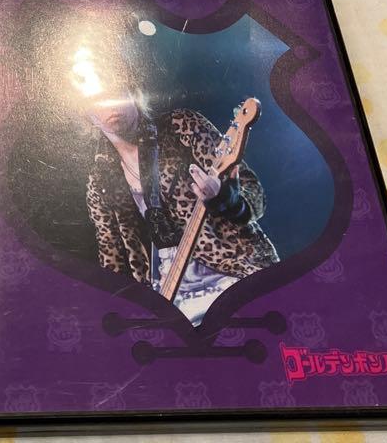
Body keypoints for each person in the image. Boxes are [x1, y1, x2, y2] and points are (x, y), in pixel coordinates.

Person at [68, 37, 278, 324]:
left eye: (116, 92)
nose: (110, 105)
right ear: (89, 114)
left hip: (232, 271)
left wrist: (224, 197)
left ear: (133, 93)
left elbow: (255, 196)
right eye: (98, 99)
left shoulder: (182, 126)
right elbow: (112, 260)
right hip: (170, 296)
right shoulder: (100, 181)